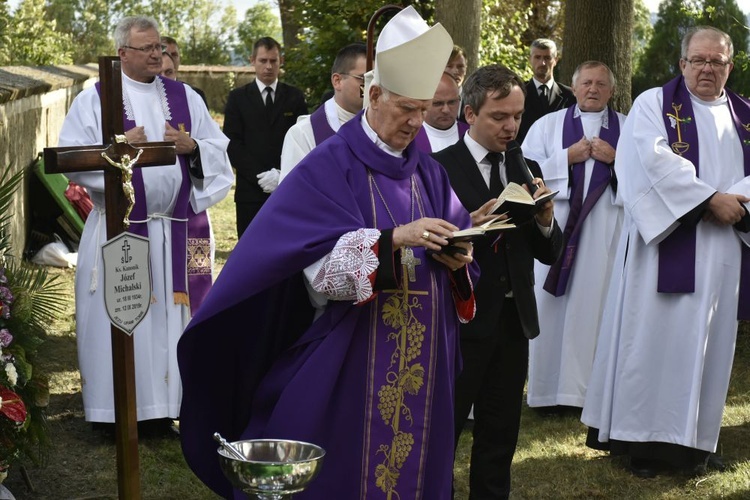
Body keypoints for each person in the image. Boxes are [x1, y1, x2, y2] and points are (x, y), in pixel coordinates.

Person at [178, 6, 477, 499]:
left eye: (424, 109)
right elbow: (319, 275)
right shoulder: (328, 166)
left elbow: (461, 242)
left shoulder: (430, 172)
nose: (417, 123)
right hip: (355, 353)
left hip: (427, 354)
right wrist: (393, 239)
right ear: (373, 95)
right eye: (407, 109)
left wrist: (460, 260)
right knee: (351, 474)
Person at [581, 26, 750, 478]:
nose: (707, 68)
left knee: (709, 346)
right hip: (666, 247)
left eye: (717, 61)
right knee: (654, 342)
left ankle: (696, 443)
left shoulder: (745, 117)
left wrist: (736, 202)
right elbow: (646, 159)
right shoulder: (654, 104)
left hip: (722, 254)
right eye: (699, 60)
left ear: (730, 67)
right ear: (682, 64)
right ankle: (645, 445)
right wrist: (707, 199)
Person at [57, 16, 234, 430]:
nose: (157, 54)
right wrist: (117, 149)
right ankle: (114, 412)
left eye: (160, 48)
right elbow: (69, 159)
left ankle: (166, 409)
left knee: (169, 322)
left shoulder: (185, 96)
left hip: (172, 229)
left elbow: (218, 152)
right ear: (123, 54)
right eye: (147, 48)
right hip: (120, 227)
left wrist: (191, 146)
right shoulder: (95, 98)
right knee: (118, 316)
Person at [432, 64, 563, 499]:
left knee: (500, 436)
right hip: (458, 323)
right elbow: (423, 248)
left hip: (513, 323)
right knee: (441, 434)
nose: (511, 127)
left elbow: (549, 252)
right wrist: (463, 226)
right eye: (499, 117)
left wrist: (545, 219)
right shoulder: (437, 170)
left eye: (518, 116)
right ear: (469, 114)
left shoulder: (527, 166)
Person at [522, 61, 626, 415]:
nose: (593, 89)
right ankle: (546, 392)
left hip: (603, 233)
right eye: (586, 83)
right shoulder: (546, 125)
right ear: (574, 87)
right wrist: (567, 157)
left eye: (600, 84)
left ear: (611, 90)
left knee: (592, 307)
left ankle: (584, 395)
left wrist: (617, 159)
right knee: (550, 309)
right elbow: (525, 173)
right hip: (554, 230)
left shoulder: (628, 129)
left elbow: (646, 178)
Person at [224, 36, 308, 237]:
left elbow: (303, 140)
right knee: (251, 253)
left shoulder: (295, 97)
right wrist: (260, 176)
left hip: (287, 189)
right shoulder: (238, 98)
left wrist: (282, 174)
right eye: (263, 61)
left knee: (287, 253)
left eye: (273, 61)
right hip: (250, 193)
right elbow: (232, 143)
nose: (269, 67)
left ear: (282, 61)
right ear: (252, 60)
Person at [278, 42, 366, 182]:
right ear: (337, 81)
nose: (372, 87)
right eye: (364, 79)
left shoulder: (385, 130)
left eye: (376, 80)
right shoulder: (303, 134)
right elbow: (294, 196)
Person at [516, 38, 574, 144]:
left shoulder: (570, 96)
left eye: (547, 58)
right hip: (524, 157)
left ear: (555, 60)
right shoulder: (518, 93)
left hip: (560, 157)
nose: (542, 63)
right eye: (537, 57)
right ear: (530, 59)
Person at [414, 71, 469, 153]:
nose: (446, 110)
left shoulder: (472, 135)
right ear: (424, 103)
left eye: (452, 102)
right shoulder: (410, 137)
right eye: (438, 104)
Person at [160, 35, 208, 106]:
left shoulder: (195, 95)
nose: (170, 58)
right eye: (165, 53)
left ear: (180, 59)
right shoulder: (144, 94)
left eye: (174, 55)